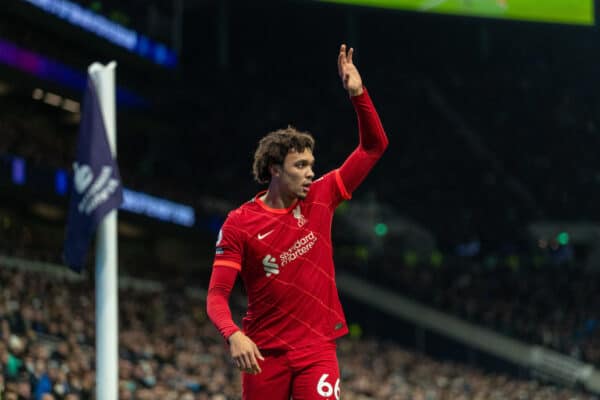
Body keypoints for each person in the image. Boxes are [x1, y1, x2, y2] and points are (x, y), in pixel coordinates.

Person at [206, 44, 388, 400]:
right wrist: (234, 334)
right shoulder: (240, 223)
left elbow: (373, 148)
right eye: (299, 166)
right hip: (264, 354)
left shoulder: (323, 195)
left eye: (311, 164)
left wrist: (359, 95)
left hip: (317, 350)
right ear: (275, 170)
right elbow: (216, 295)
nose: (310, 173)